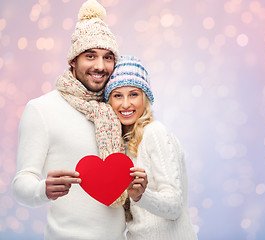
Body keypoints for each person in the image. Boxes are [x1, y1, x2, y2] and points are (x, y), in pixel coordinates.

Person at [12, 1, 146, 239]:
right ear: (73, 60)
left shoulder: (116, 110)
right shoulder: (42, 109)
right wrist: (42, 189)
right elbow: (21, 185)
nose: (100, 66)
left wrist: (140, 190)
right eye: (90, 56)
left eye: (108, 58)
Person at [105, 55, 198, 239]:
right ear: (109, 101)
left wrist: (141, 196)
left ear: (145, 97)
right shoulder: (119, 144)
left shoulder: (154, 133)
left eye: (133, 94)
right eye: (117, 95)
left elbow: (174, 206)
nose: (125, 104)